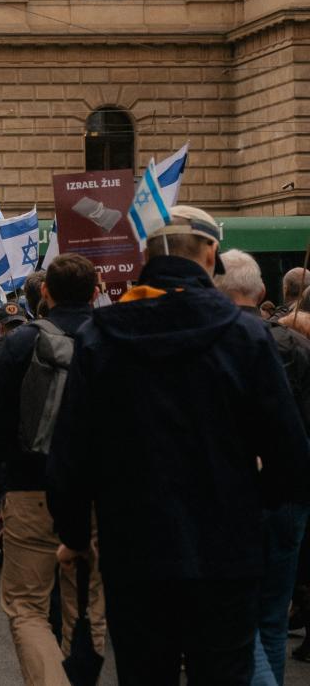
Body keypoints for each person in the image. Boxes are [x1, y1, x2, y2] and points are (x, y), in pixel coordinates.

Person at [49, 207, 310, 684]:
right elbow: (290, 455)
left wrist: (75, 533)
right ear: (210, 255)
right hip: (226, 552)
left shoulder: (100, 335)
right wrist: (252, 507)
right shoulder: (246, 335)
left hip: (135, 550)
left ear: (146, 256)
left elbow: (71, 452)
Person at [0, 254, 106, 686]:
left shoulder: (22, 342)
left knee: (27, 607)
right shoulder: (114, 337)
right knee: (87, 605)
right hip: (98, 494)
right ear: (96, 291)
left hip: (31, 489)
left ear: (45, 292)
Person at [222, 249, 310, 685]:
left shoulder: (215, 342)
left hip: (234, 493)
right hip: (290, 493)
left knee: (237, 617)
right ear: (260, 293)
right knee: (272, 618)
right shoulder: (296, 345)